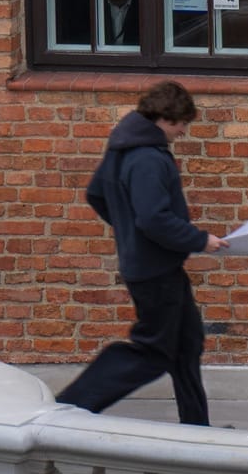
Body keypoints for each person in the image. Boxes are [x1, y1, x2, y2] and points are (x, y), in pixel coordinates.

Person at [56, 81, 220, 427]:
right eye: (180, 124)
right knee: (152, 350)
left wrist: (127, 228)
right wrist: (199, 240)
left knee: (187, 345)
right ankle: (69, 405)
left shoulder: (122, 147)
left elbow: (96, 194)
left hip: (152, 265)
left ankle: (197, 429)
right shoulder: (146, 157)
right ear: (163, 118)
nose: (182, 131)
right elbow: (154, 218)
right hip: (154, 270)